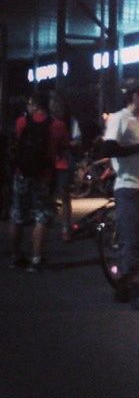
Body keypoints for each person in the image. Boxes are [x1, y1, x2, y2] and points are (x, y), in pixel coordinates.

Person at [102, 82, 139, 311]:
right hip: (127, 186)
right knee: (132, 240)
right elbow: (109, 149)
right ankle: (132, 290)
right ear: (135, 96)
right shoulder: (119, 118)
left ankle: (124, 288)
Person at [9, 91, 56, 272]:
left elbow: (16, 143)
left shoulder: (22, 122)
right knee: (41, 216)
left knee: (17, 215)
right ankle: (36, 259)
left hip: (21, 174)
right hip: (42, 176)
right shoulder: (55, 125)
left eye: (29, 104)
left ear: (35, 105)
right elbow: (61, 146)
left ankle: (15, 257)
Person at [48, 92, 74, 242]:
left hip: (60, 163)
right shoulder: (53, 122)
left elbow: (75, 141)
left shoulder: (66, 122)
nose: (54, 107)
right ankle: (60, 226)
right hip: (56, 163)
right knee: (57, 196)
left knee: (62, 196)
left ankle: (64, 227)